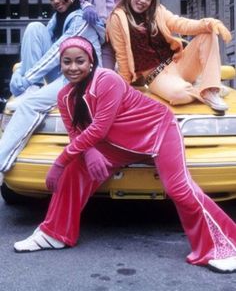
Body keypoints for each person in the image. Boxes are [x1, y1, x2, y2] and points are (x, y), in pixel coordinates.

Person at [14, 35, 236, 274]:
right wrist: (88, 154)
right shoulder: (64, 96)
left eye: (79, 61)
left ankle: (225, 246)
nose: (73, 67)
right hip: (116, 145)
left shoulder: (107, 79)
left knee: (179, 189)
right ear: (61, 65)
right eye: (67, 62)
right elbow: (75, 134)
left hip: (157, 132)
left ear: (91, 62)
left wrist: (59, 162)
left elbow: (99, 127)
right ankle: (54, 233)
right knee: (74, 168)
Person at [0, 0, 105, 186]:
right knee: (33, 28)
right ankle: (32, 88)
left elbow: (56, 54)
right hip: (66, 73)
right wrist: (23, 76)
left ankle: (1, 163)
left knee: (29, 105)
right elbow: (40, 51)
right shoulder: (57, 21)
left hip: (84, 79)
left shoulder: (81, 18)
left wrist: (23, 79)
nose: (56, 1)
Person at [106, 0, 232, 112]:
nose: (143, 1)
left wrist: (208, 23)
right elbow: (122, 56)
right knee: (179, 95)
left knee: (208, 33)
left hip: (179, 63)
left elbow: (180, 23)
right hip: (156, 76)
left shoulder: (157, 11)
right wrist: (123, 91)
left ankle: (210, 90)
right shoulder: (117, 18)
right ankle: (201, 88)